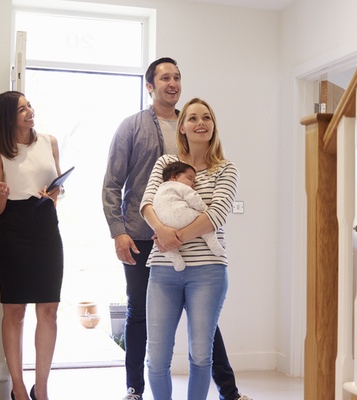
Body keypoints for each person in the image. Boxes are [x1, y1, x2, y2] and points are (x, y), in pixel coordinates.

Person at [102, 57, 251, 400]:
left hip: (199, 254)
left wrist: (176, 236)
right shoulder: (133, 128)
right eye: (165, 78)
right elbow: (116, 185)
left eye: (177, 77)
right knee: (141, 317)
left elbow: (216, 213)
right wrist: (120, 230)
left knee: (203, 338)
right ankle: (134, 389)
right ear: (150, 86)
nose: (172, 83)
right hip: (144, 238)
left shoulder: (200, 137)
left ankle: (229, 391)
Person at [139, 97, 239, 400]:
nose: (200, 123)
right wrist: (161, 231)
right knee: (157, 358)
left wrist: (174, 237)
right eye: (193, 118)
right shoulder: (165, 164)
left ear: (213, 125)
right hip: (163, 271)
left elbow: (216, 215)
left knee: (200, 355)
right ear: (181, 127)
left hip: (208, 272)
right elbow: (147, 203)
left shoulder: (226, 169)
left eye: (206, 117)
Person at [0, 90, 64, 400]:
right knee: (14, 310)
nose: (30, 111)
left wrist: (55, 194)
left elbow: (58, 188)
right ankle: (18, 388)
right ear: (7, 117)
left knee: (49, 310)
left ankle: (41, 389)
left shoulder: (49, 142)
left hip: (46, 228)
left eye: (29, 105)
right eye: (22, 109)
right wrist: (0, 194)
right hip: (12, 230)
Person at [152, 161, 225, 271]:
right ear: (174, 177)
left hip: (165, 224)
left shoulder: (159, 190)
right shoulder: (181, 187)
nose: (193, 184)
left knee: (166, 247)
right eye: (190, 178)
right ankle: (212, 243)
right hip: (183, 216)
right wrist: (205, 209)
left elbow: (149, 206)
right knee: (204, 221)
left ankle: (176, 259)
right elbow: (194, 199)